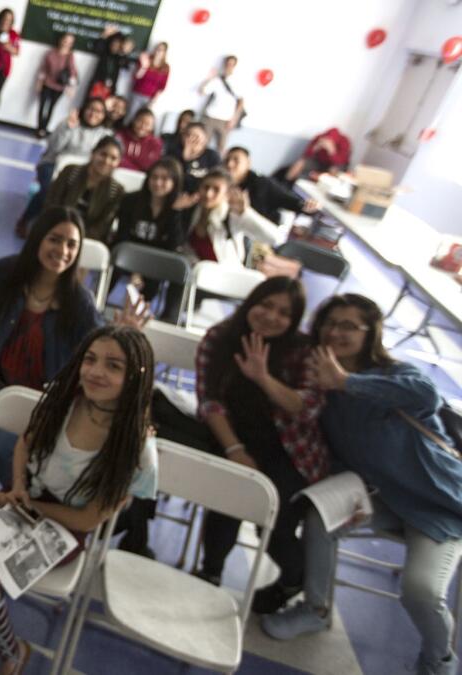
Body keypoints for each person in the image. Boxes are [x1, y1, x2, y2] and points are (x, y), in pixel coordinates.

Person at [263, 294, 462, 675]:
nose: (335, 332)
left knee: (421, 590)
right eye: (330, 323)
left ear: (371, 334)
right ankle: (315, 609)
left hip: (437, 505)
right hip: (380, 497)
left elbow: (427, 396)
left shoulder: (397, 375)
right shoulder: (321, 388)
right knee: (320, 517)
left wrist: (347, 382)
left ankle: (439, 659)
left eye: (348, 326)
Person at [0, 325, 159, 675]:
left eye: (113, 366)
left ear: (137, 375)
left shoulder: (137, 449)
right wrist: (16, 489)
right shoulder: (64, 400)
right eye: (90, 359)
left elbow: (88, 521)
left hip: (66, 530)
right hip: (28, 500)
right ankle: (13, 653)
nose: (95, 371)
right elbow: (24, 444)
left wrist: (16, 504)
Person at [0, 208, 133, 490]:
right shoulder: (13, 272)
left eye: (72, 245)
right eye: (54, 240)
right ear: (38, 240)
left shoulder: (79, 301)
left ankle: (24, 500)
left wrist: (123, 335)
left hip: (44, 396)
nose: (62, 251)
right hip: (0, 383)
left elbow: (100, 345)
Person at [192, 277, 328, 615]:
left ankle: (294, 578)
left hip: (290, 451)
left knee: (274, 520)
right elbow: (209, 402)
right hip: (233, 437)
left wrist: (263, 377)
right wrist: (235, 450)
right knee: (229, 496)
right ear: (251, 301)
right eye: (265, 304)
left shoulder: (305, 351)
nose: (270, 316)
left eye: (283, 312)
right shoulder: (220, 338)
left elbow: (306, 406)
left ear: (294, 320)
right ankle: (210, 572)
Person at [112, 158, 197, 322]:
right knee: (115, 259)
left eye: (165, 179)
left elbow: (175, 245)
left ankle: (169, 319)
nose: (158, 183)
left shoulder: (182, 208)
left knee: (179, 269)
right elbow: (122, 236)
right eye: (154, 177)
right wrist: (134, 269)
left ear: (175, 182)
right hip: (130, 256)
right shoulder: (130, 200)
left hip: (159, 261)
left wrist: (175, 212)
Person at [17, 98, 112, 236]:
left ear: (104, 115)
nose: (93, 114)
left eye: (99, 111)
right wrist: (68, 128)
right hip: (53, 163)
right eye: (90, 109)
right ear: (84, 109)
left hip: (85, 171)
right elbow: (54, 148)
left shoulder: (105, 134)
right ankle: (26, 220)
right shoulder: (69, 124)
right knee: (49, 189)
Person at [181, 168, 279, 268]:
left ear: (226, 194)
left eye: (216, 190)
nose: (208, 194)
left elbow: (275, 238)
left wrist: (246, 213)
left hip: (228, 276)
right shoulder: (191, 211)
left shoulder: (232, 217)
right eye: (206, 187)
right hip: (197, 274)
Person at [42, 136, 125, 243]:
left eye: (113, 158)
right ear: (93, 154)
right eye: (103, 154)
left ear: (118, 163)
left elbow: (102, 227)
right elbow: (51, 202)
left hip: (87, 240)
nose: (106, 161)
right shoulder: (70, 172)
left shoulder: (116, 191)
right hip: (55, 228)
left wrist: (77, 239)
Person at [225, 147, 320, 225]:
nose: (229, 164)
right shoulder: (222, 182)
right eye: (227, 160)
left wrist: (307, 206)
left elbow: (290, 201)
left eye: (236, 160)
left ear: (248, 163)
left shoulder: (262, 183)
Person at [34, 32, 78, 138]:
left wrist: (71, 87)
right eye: (65, 40)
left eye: (69, 42)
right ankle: (39, 127)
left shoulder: (69, 56)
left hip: (59, 87)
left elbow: (72, 71)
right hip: (47, 83)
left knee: (51, 108)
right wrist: (39, 82)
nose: (66, 43)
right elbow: (43, 68)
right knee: (42, 106)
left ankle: (44, 129)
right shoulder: (51, 53)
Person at [199, 55, 245, 155]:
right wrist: (210, 78)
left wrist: (234, 119)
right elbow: (202, 91)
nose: (229, 66)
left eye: (232, 64)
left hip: (225, 120)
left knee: (221, 147)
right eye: (228, 64)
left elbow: (241, 102)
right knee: (203, 144)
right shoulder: (217, 80)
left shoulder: (238, 82)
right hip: (210, 116)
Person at [281, 127, 353, 185]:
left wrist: (331, 151)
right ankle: (285, 183)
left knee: (333, 169)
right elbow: (305, 155)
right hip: (320, 162)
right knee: (301, 162)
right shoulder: (319, 137)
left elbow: (340, 162)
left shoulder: (344, 141)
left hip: (335, 164)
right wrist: (315, 147)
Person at [0, 8, 22, 129]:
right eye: (5, 18)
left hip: (4, 68)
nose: (6, 21)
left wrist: (8, 46)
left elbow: (17, 51)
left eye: (9, 19)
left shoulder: (13, 34)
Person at [168, 121, 220, 193]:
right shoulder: (173, 154)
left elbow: (217, 178)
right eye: (188, 135)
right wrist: (186, 158)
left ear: (205, 139)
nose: (191, 139)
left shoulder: (212, 156)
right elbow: (174, 180)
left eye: (196, 136)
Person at [88, 25, 134, 100]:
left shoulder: (120, 57)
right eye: (113, 43)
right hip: (97, 85)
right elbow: (96, 47)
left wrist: (125, 52)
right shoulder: (104, 52)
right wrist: (104, 35)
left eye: (118, 45)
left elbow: (126, 66)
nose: (115, 46)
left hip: (110, 89)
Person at [128, 42, 169, 118]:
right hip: (137, 93)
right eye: (157, 48)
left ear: (164, 53)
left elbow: (162, 86)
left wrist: (153, 101)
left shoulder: (165, 67)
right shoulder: (146, 60)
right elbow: (136, 77)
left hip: (150, 98)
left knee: (143, 118)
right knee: (131, 116)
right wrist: (144, 67)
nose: (158, 51)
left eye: (161, 50)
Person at [115, 108, 162, 172]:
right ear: (134, 120)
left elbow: (149, 166)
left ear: (152, 127)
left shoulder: (156, 143)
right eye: (140, 121)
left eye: (147, 124)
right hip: (118, 172)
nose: (142, 126)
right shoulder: (120, 136)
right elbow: (116, 158)